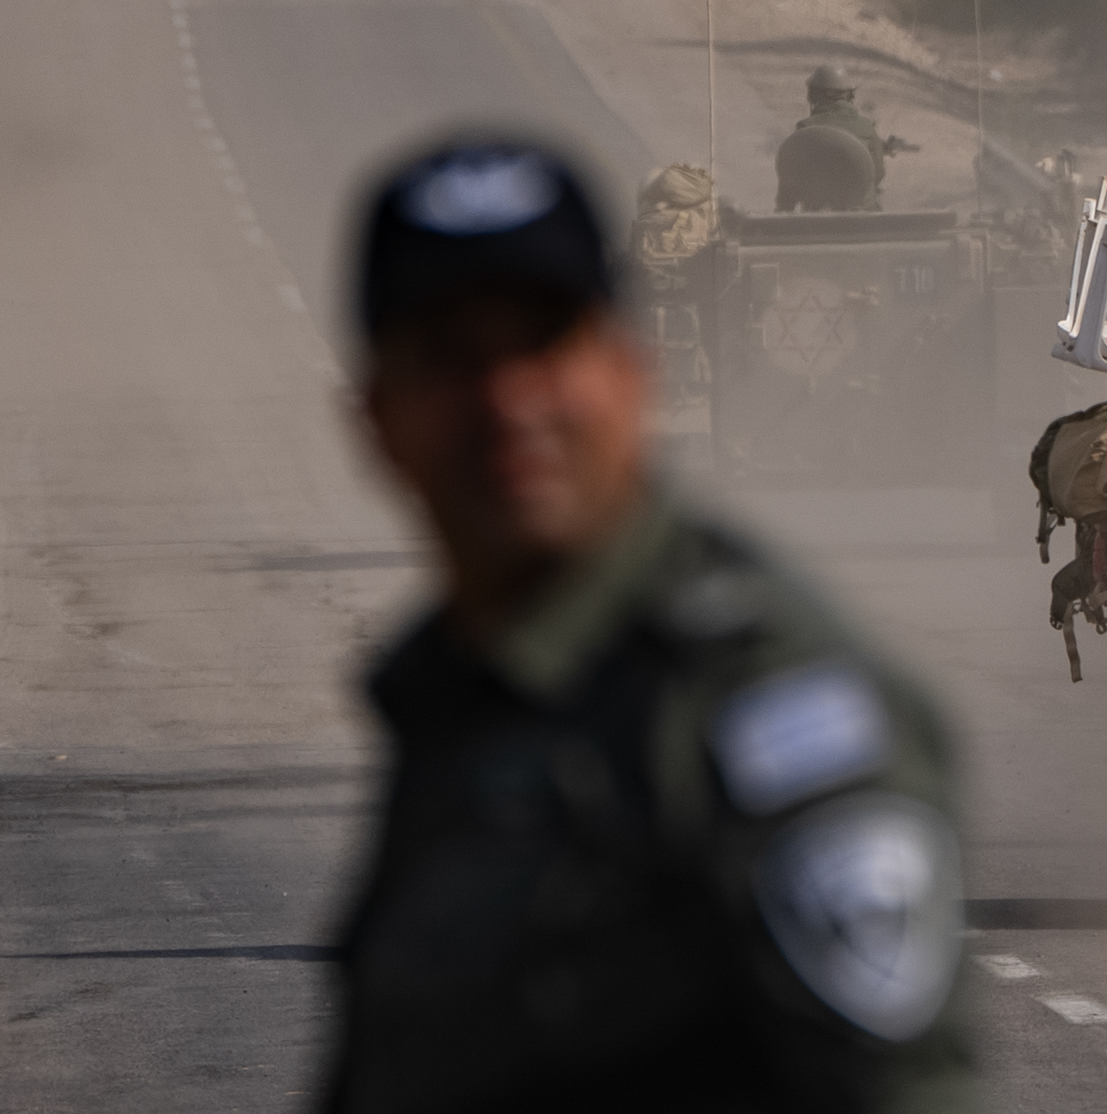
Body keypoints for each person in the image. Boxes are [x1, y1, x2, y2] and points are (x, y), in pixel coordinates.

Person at [326, 138, 975, 1114]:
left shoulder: (764, 715)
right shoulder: (457, 696)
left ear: (634, 375)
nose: (508, 402)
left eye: (545, 342)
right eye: (450, 357)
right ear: (377, 417)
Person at [781, 65, 886, 211]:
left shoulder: (805, 129)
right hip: (862, 214)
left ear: (813, 95)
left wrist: (784, 208)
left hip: (817, 217)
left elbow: (790, 178)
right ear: (849, 95)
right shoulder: (867, 128)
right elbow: (878, 173)